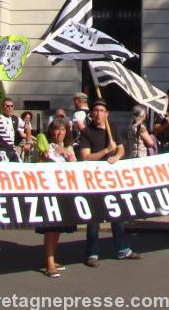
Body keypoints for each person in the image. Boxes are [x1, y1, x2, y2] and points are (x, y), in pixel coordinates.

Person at [78, 99, 143, 266]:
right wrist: (106, 151)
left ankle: (123, 249)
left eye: (102, 110)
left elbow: (121, 147)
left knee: (118, 216)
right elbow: (86, 157)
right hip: (93, 181)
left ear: (107, 114)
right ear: (91, 114)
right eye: (96, 110)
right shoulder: (86, 132)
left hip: (112, 180)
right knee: (94, 219)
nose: (98, 113)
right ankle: (92, 254)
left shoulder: (111, 128)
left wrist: (116, 156)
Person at [36, 119, 77, 277]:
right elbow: (35, 165)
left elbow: (75, 167)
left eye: (61, 130)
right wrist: (43, 157)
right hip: (49, 191)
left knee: (57, 228)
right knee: (50, 229)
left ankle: (51, 257)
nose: (58, 133)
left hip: (63, 191)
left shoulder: (68, 148)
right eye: (55, 129)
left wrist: (66, 153)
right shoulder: (46, 147)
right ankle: (50, 262)